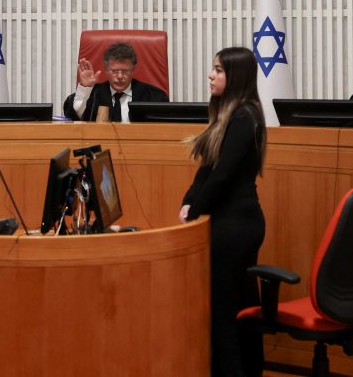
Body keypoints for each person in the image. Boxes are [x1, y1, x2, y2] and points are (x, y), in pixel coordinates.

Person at [179, 47, 267, 377]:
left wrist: (195, 210)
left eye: (218, 70)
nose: (210, 75)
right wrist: (188, 203)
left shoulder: (245, 115)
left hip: (236, 225)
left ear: (236, 77)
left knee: (225, 314)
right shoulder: (228, 115)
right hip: (233, 221)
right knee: (242, 309)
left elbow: (224, 174)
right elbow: (207, 169)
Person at [61, 42, 169, 122]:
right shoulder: (93, 94)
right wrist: (85, 88)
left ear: (133, 70)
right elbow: (75, 116)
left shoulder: (154, 96)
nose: (120, 76)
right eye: (115, 71)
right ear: (106, 70)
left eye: (125, 71)